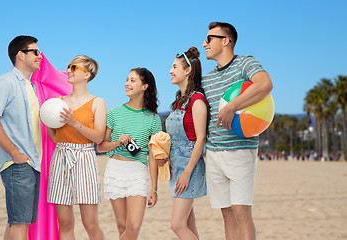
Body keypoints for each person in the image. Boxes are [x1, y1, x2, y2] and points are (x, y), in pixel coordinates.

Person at [201, 22, 273, 240]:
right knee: (227, 214)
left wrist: (231, 106)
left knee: (242, 212)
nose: (204, 44)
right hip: (213, 153)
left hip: (240, 150)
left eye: (209, 38)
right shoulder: (207, 79)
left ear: (225, 40)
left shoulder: (245, 63)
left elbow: (265, 84)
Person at [0, 35, 43, 240]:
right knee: (20, 224)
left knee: (16, 222)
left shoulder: (32, 87)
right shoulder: (4, 83)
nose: (39, 55)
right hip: (17, 163)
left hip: (32, 163)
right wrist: (15, 154)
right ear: (20, 55)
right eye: (35, 51)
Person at [45, 55, 106, 240]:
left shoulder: (98, 103)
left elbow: (98, 137)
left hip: (85, 157)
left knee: (90, 224)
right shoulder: (58, 101)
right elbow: (55, 137)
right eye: (69, 67)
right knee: (65, 223)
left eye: (74, 67)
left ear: (87, 75)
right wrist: (47, 119)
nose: (69, 71)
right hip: (61, 156)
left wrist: (74, 122)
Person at [97, 67, 162, 240]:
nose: (127, 83)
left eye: (133, 80)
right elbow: (101, 147)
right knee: (122, 227)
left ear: (145, 86)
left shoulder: (153, 119)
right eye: (127, 79)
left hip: (138, 173)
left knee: (133, 227)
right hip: (115, 170)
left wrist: (154, 188)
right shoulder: (114, 113)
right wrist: (117, 143)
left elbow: (153, 156)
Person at [164, 47, 208, 240]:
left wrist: (187, 172)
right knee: (189, 224)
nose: (170, 71)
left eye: (174, 67)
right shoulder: (180, 102)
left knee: (177, 225)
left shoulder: (197, 101)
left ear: (188, 70)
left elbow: (200, 140)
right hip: (177, 165)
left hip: (188, 167)